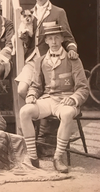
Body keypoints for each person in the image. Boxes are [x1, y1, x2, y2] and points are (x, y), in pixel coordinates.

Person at [15, 0, 79, 154]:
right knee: (22, 89)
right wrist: (23, 37)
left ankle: (43, 136)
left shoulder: (58, 12)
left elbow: (67, 36)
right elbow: (27, 38)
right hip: (32, 59)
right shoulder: (29, 13)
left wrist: (72, 50)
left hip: (49, 61)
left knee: (44, 93)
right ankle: (36, 133)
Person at [19, 24, 89, 173]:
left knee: (67, 113)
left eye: (57, 37)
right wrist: (31, 94)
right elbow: (36, 85)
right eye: (50, 38)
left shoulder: (73, 59)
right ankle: (33, 157)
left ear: (62, 38)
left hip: (65, 100)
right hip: (47, 100)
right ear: (46, 41)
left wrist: (74, 99)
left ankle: (58, 158)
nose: (54, 41)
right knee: (25, 111)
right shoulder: (41, 61)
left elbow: (83, 88)